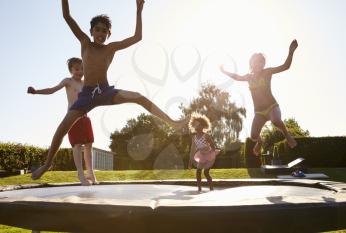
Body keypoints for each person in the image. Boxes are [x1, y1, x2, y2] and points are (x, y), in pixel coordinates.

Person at [32, 0, 186, 180]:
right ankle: (48, 163)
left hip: (105, 91)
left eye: (104, 31)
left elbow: (137, 37)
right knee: (62, 128)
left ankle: (172, 122)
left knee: (139, 97)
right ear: (91, 32)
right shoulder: (85, 43)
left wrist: (138, 10)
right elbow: (67, 16)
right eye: (97, 29)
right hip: (87, 95)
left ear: (108, 34)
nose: (100, 33)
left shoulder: (111, 48)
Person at [220, 40, 299, 156]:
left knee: (276, 121)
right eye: (256, 62)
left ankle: (287, 135)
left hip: (272, 106)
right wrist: (224, 71)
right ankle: (260, 142)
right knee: (253, 136)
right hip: (259, 112)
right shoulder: (248, 77)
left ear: (264, 64)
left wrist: (291, 52)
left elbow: (285, 66)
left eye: (261, 62)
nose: (259, 65)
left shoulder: (267, 72)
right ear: (251, 64)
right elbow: (237, 77)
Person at [28, 57, 97, 185]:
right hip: (72, 118)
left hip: (85, 117)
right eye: (77, 69)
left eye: (82, 69)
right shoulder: (68, 81)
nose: (80, 71)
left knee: (89, 145)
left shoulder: (85, 83)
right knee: (77, 145)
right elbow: (52, 90)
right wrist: (37, 92)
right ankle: (80, 175)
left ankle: (91, 173)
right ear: (71, 70)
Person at [188, 113, 220, 192]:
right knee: (198, 171)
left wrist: (212, 155)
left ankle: (211, 189)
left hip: (209, 155)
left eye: (198, 125)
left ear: (203, 126)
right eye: (195, 125)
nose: (196, 126)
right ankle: (199, 189)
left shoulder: (206, 136)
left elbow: (213, 145)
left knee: (206, 172)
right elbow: (192, 150)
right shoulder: (194, 138)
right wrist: (190, 162)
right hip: (201, 156)